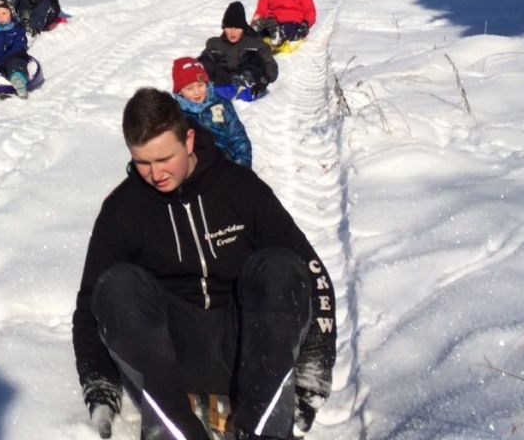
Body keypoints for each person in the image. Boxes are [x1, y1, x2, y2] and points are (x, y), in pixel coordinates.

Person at [71, 88, 336, 440]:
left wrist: (314, 364)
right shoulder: (123, 209)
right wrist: (98, 381)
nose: (156, 173)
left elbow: (311, 272)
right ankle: (175, 431)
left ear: (189, 139)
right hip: (167, 355)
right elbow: (92, 302)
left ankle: (262, 429)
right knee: (116, 285)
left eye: (165, 158)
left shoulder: (240, 189)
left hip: (246, 347)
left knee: (280, 265)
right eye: (143, 163)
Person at [171, 57, 252, 168]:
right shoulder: (176, 114)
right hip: (194, 167)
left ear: (206, 84)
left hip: (226, 162)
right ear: (180, 92)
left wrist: (242, 163)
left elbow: (238, 136)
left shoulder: (221, 104)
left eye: (200, 85)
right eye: (189, 88)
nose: (196, 92)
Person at [199, 1, 278, 100]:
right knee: (205, 61)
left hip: (248, 86)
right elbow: (202, 64)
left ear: (243, 28)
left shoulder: (255, 43)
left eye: (237, 28)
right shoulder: (215, 45)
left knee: (252, 57)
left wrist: (265, 78)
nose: (232, 31)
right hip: (222, 84)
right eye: (229, 27)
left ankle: (246, 79)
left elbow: (271, 67)